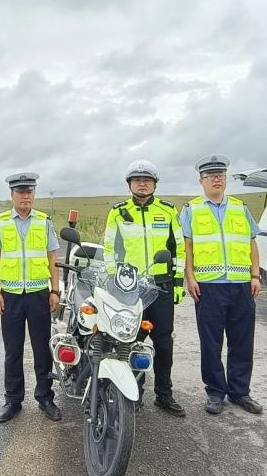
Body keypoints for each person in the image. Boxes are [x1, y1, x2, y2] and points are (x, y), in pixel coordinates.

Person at [103, 160, 187, 417]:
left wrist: (177, 283)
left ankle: (164, 394)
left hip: (160, 287)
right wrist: (113, 281)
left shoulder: (168, 211)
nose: (142, 183)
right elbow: (109, 249)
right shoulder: (117, 212)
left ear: (155, 184)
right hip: (130, 288)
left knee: (163, 342)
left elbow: (179, 249)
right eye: (137, 179)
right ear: (130, 184)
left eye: (147, 180)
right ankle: (133, 393)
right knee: (129, 341)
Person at [181, 155, 263, 415]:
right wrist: (190, 278)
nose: (216, 179)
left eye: (220, 174)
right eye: (210, 175)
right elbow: (188, 248)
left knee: (242, 341)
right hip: (208, 286)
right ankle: (216, 391)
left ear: (226, 179)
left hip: (241, 285)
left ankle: (240, 392)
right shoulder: (191, 210)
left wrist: (255, 275)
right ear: (201, 181)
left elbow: (251, 242)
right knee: (211, 342)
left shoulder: (240, 208)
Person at [0, 172, 62, 423]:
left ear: (34, 194)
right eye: (20, 192)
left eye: (29, 191)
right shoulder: (0, 222)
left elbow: (52, 257)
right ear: (12, 195)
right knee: (13, 351)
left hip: (39, 294)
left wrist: (55, 290)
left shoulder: (43, 221)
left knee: (42, 349)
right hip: (10, 296)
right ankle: (13, 400)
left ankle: (45, 397)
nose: (25, 196)